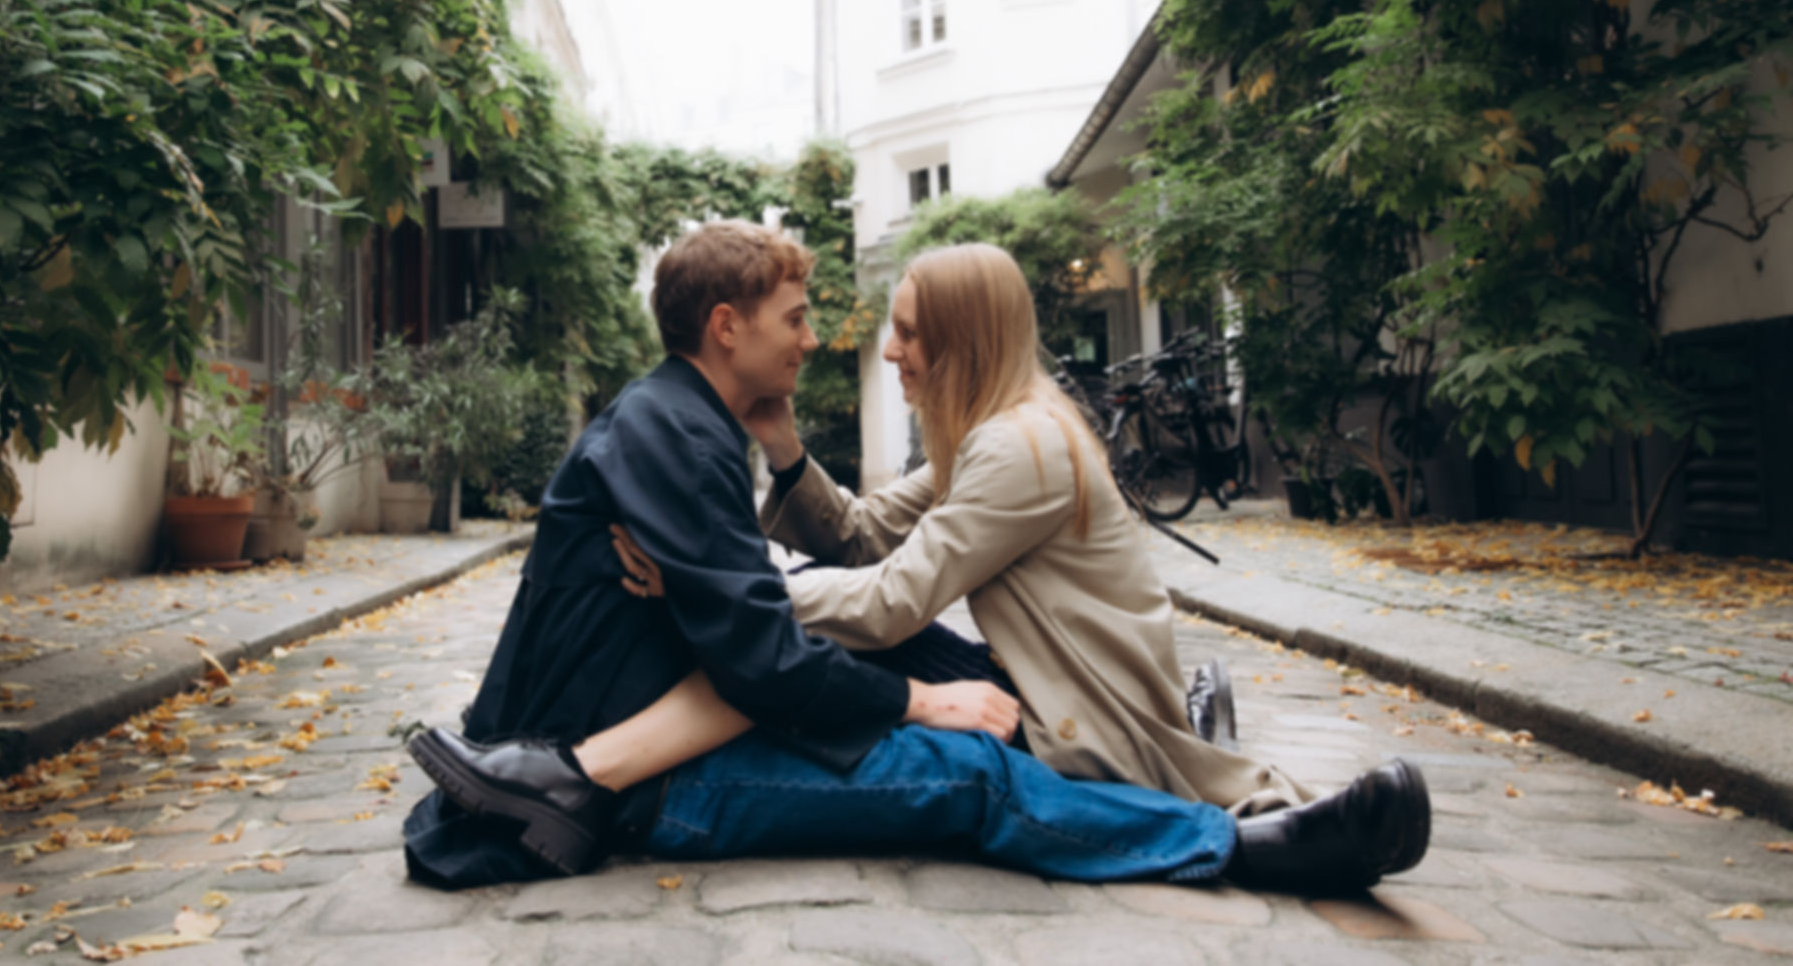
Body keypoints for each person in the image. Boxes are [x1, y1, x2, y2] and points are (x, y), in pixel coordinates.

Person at [402, 224, 1430, 895]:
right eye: (798, 319)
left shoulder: (1003, 440)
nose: (837, 344)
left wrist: (735, 590)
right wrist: (884, 682)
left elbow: (858, 607)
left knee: (948, 706)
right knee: (969, 766)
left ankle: (1177, 759)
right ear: (725, 327)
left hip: (695, 736)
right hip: (657, 780)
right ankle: (1236, 843)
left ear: (960, 342)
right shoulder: (683, 430)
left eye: (902, 334)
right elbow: (826, 582)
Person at [605, 242, 1312, 816]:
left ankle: (638, 765)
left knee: (823, 631)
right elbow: (861, 535)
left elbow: (890, 603)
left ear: (963, 341)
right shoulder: (994, 430)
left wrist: (721, 593)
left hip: (1080, 722)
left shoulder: (1019, 446)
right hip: (1047, 685)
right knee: (819, 612)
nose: (890, 351)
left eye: (910, 333)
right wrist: (783, 446)